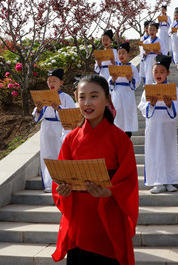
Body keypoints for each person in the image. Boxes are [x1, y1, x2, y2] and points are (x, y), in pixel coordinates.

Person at [52, 75, 139, 265]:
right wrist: (62, 191)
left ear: (107, 99)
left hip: (109, 217)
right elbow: (60, 177)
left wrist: (110, 191)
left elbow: (129, 181)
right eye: (82, 97)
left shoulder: (120, 139)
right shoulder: (70, 139)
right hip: (80, 221)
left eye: (93, 96)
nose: (87, 103)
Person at [138, 55, 178, 194]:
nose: (158, 74)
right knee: (154, 151)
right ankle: (157, 181)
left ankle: (170, 180)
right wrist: (150, 104)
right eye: (156, 71)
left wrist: (170, 104)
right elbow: (142, 106)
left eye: (162, 72)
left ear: (168, 73)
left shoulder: (173, 89)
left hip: (167, 124)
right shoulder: (148, 89)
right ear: (152, 73)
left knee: (168, 151)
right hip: (153, 124)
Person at [33, 69, 76, 193]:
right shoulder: (44, 96)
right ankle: (48, 183)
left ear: (61, 82)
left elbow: (71, 115)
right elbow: (37, 116)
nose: (51, 83)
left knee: (60, 154)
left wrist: (59, 109)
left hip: (60, 128)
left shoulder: (66, 97)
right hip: (46, 128)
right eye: (49, 80)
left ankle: (61, 183)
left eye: (54, 80)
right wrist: (39, 109)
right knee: (47, 155)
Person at [109, 42, 141, 138]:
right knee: (117, 117)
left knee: (127, 118)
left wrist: (131, 79)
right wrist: (113, 80)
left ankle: (127, 136)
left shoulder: (132, 68)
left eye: (123, 53)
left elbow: (138, 81)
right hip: (117, 95)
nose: (121, 55)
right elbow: (109, 83)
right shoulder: (115, 68)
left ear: (128, 54)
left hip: (127, 94)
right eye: (119, 53)